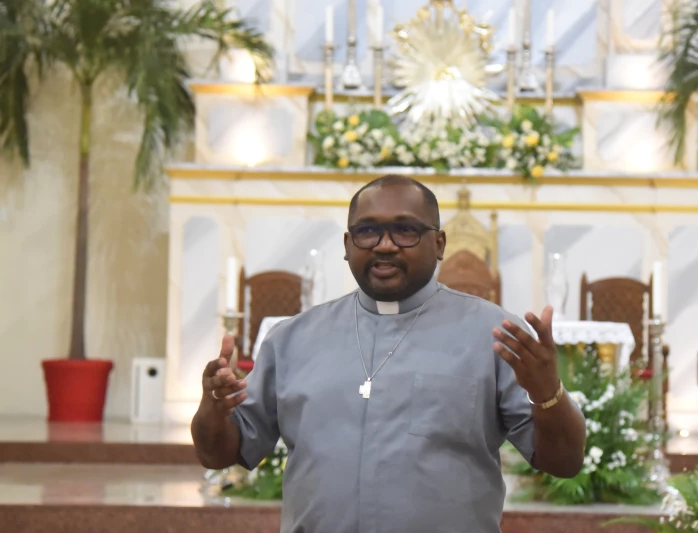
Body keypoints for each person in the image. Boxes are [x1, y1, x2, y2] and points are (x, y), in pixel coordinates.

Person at [191, 175, 586, 533]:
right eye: (367, 232)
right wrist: (212, 408)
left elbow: (563, 462)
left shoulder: (495, 334)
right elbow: (220, 453)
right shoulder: (292, 339)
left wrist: (548, 393)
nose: (384, 245)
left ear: (440, 243)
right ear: (347, 246)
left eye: (405, 230)